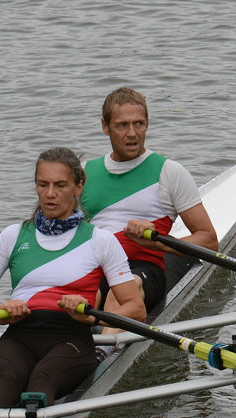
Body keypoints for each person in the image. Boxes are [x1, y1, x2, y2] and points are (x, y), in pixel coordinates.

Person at [0, 146, 146, 417]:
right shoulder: (13, 236)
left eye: (60, 185)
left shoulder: (101, 240)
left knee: (41, 380)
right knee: (5, 383)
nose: (50, 194)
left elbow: (135, 308)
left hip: (71, 338)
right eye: (42, 184)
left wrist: (92, 319)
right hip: (20, 335)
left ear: (78, 186)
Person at [80, 87, 219, 314]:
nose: (132, 133)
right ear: (105, 127)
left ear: (147, 124)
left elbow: (209, 241)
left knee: (120, 293)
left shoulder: (170, 172)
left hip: (141, 271)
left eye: (139, 124)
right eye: (122, 125)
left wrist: (156, 243)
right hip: (94, 269)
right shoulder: (84, 173)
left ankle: (105, 349)